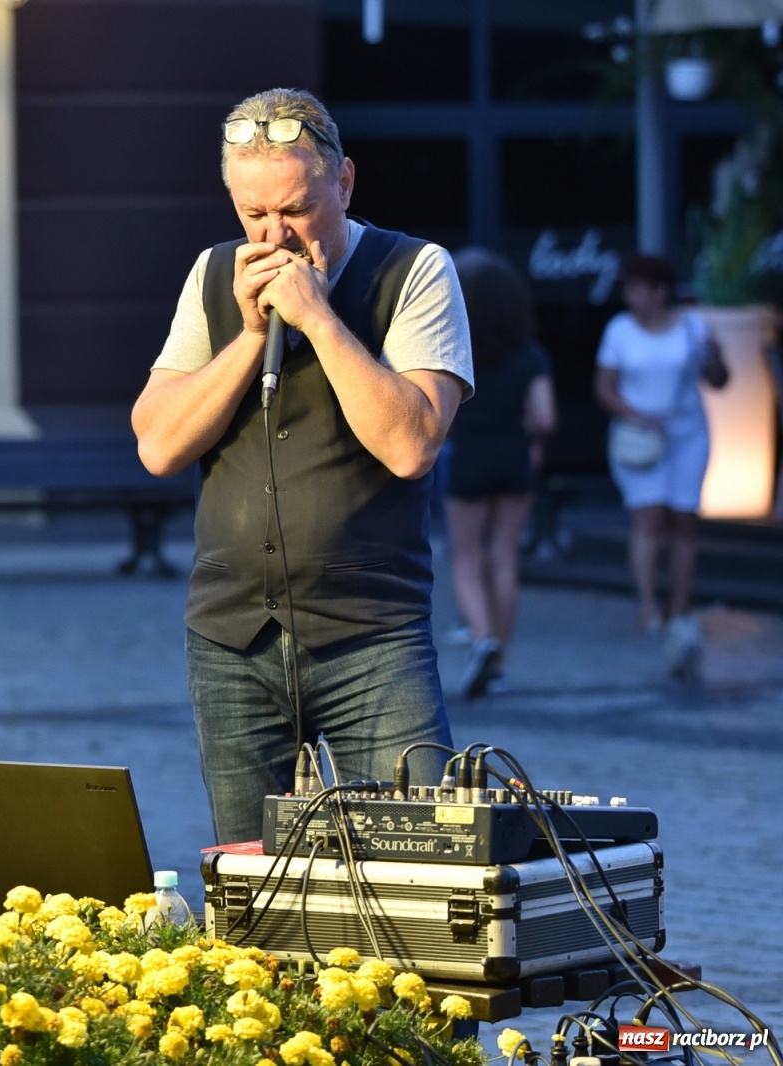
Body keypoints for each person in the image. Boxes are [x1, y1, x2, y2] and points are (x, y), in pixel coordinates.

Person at [131, 88, 472, 846]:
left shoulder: (415, 269)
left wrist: (318, 317)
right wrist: (251, 336)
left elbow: (412, 445)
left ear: (344, 183)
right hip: (231, 638)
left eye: (295, 210)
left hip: (372, 638)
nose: (274, 235)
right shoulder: (213, 273)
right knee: (254, 888)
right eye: (253, 215)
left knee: (415, 864)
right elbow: (157, 444)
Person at [594, 253, 728, 678]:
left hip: (687, 434)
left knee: (685, 519)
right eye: (628, 288)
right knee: (648, 517)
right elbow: (605, 386)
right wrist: (636, 416)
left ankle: (681, 606)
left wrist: (714, 359)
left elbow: (720, 381)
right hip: (640, 440)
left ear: (660, 291)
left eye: (638, 288)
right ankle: (649, 603)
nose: (631, 297)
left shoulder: (693, 326)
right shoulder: (620, 330)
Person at [443, 248, 556, 697]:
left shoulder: (455, 348)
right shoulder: (530, 356)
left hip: (468, 455)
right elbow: (546, 418)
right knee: (505, 557)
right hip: (514, 456)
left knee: (466, 556)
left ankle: (482, 636)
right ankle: (501, 660)